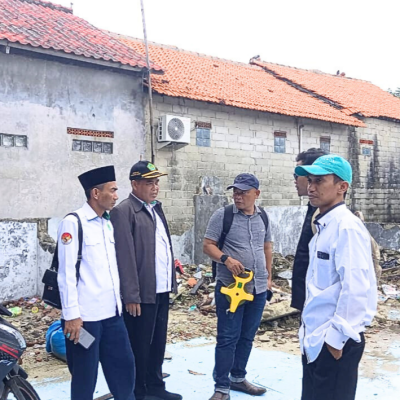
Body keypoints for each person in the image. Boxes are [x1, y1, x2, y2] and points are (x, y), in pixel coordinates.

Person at [294, 154, 377, 400]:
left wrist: (335, 340)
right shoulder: (323, 225)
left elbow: (356, 288)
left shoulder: (346, 227)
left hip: (335, 342)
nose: (311, 187)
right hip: (316, 339)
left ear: (342, 187)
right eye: (310, 180)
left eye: (320, 181)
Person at [57, 165, 135, 400]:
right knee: (84, 377)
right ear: (95, 193)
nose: (116, 195)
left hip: (112, 316)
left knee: (124, 369)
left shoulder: (106, 223)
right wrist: (71, 316)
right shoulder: (73, 223)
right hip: (84, 321)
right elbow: (66, 273)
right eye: (112, 190)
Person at [110, 161, 181, 400]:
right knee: (139, 346)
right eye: (149, 183)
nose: (155, 187)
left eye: (157, 182)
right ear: (135, 184)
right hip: (141, 294)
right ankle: (138, 392)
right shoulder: (124, 211)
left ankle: (155, 387)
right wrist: (131, 295)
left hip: (161, 289)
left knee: (157, 344)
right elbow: (125, 257)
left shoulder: (155, 209)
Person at [203, 173, 273, 400]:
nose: (238, 196)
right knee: (227, 337)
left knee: (247, 336)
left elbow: (267, 248)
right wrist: (226, 259)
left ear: (256, 194)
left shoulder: (263, 217)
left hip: (258, 289)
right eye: (235, 191)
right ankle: (221, 387)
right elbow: (207, 246)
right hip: (231, 289)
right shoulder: (222, 215)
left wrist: (269, 278)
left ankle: (238, 378)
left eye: (243, 192)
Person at [291, 148, 327, 311]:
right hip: (309, 302)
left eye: (297, 175)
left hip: (321, 305)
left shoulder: (330, 219)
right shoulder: (314, 210)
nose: (295, 180)